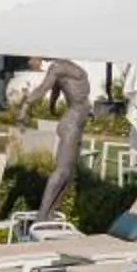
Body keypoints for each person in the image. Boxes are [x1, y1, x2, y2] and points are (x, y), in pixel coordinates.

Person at [30, 58, 92, 218]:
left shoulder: (63, 68)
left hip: (76, 124)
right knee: (62, 170)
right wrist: (24, 105)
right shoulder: (58, 68)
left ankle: (50, 213)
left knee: (69, 173)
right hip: (72, 123)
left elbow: (55, 90)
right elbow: (42, 89)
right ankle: (41, 216)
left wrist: (52, 106)